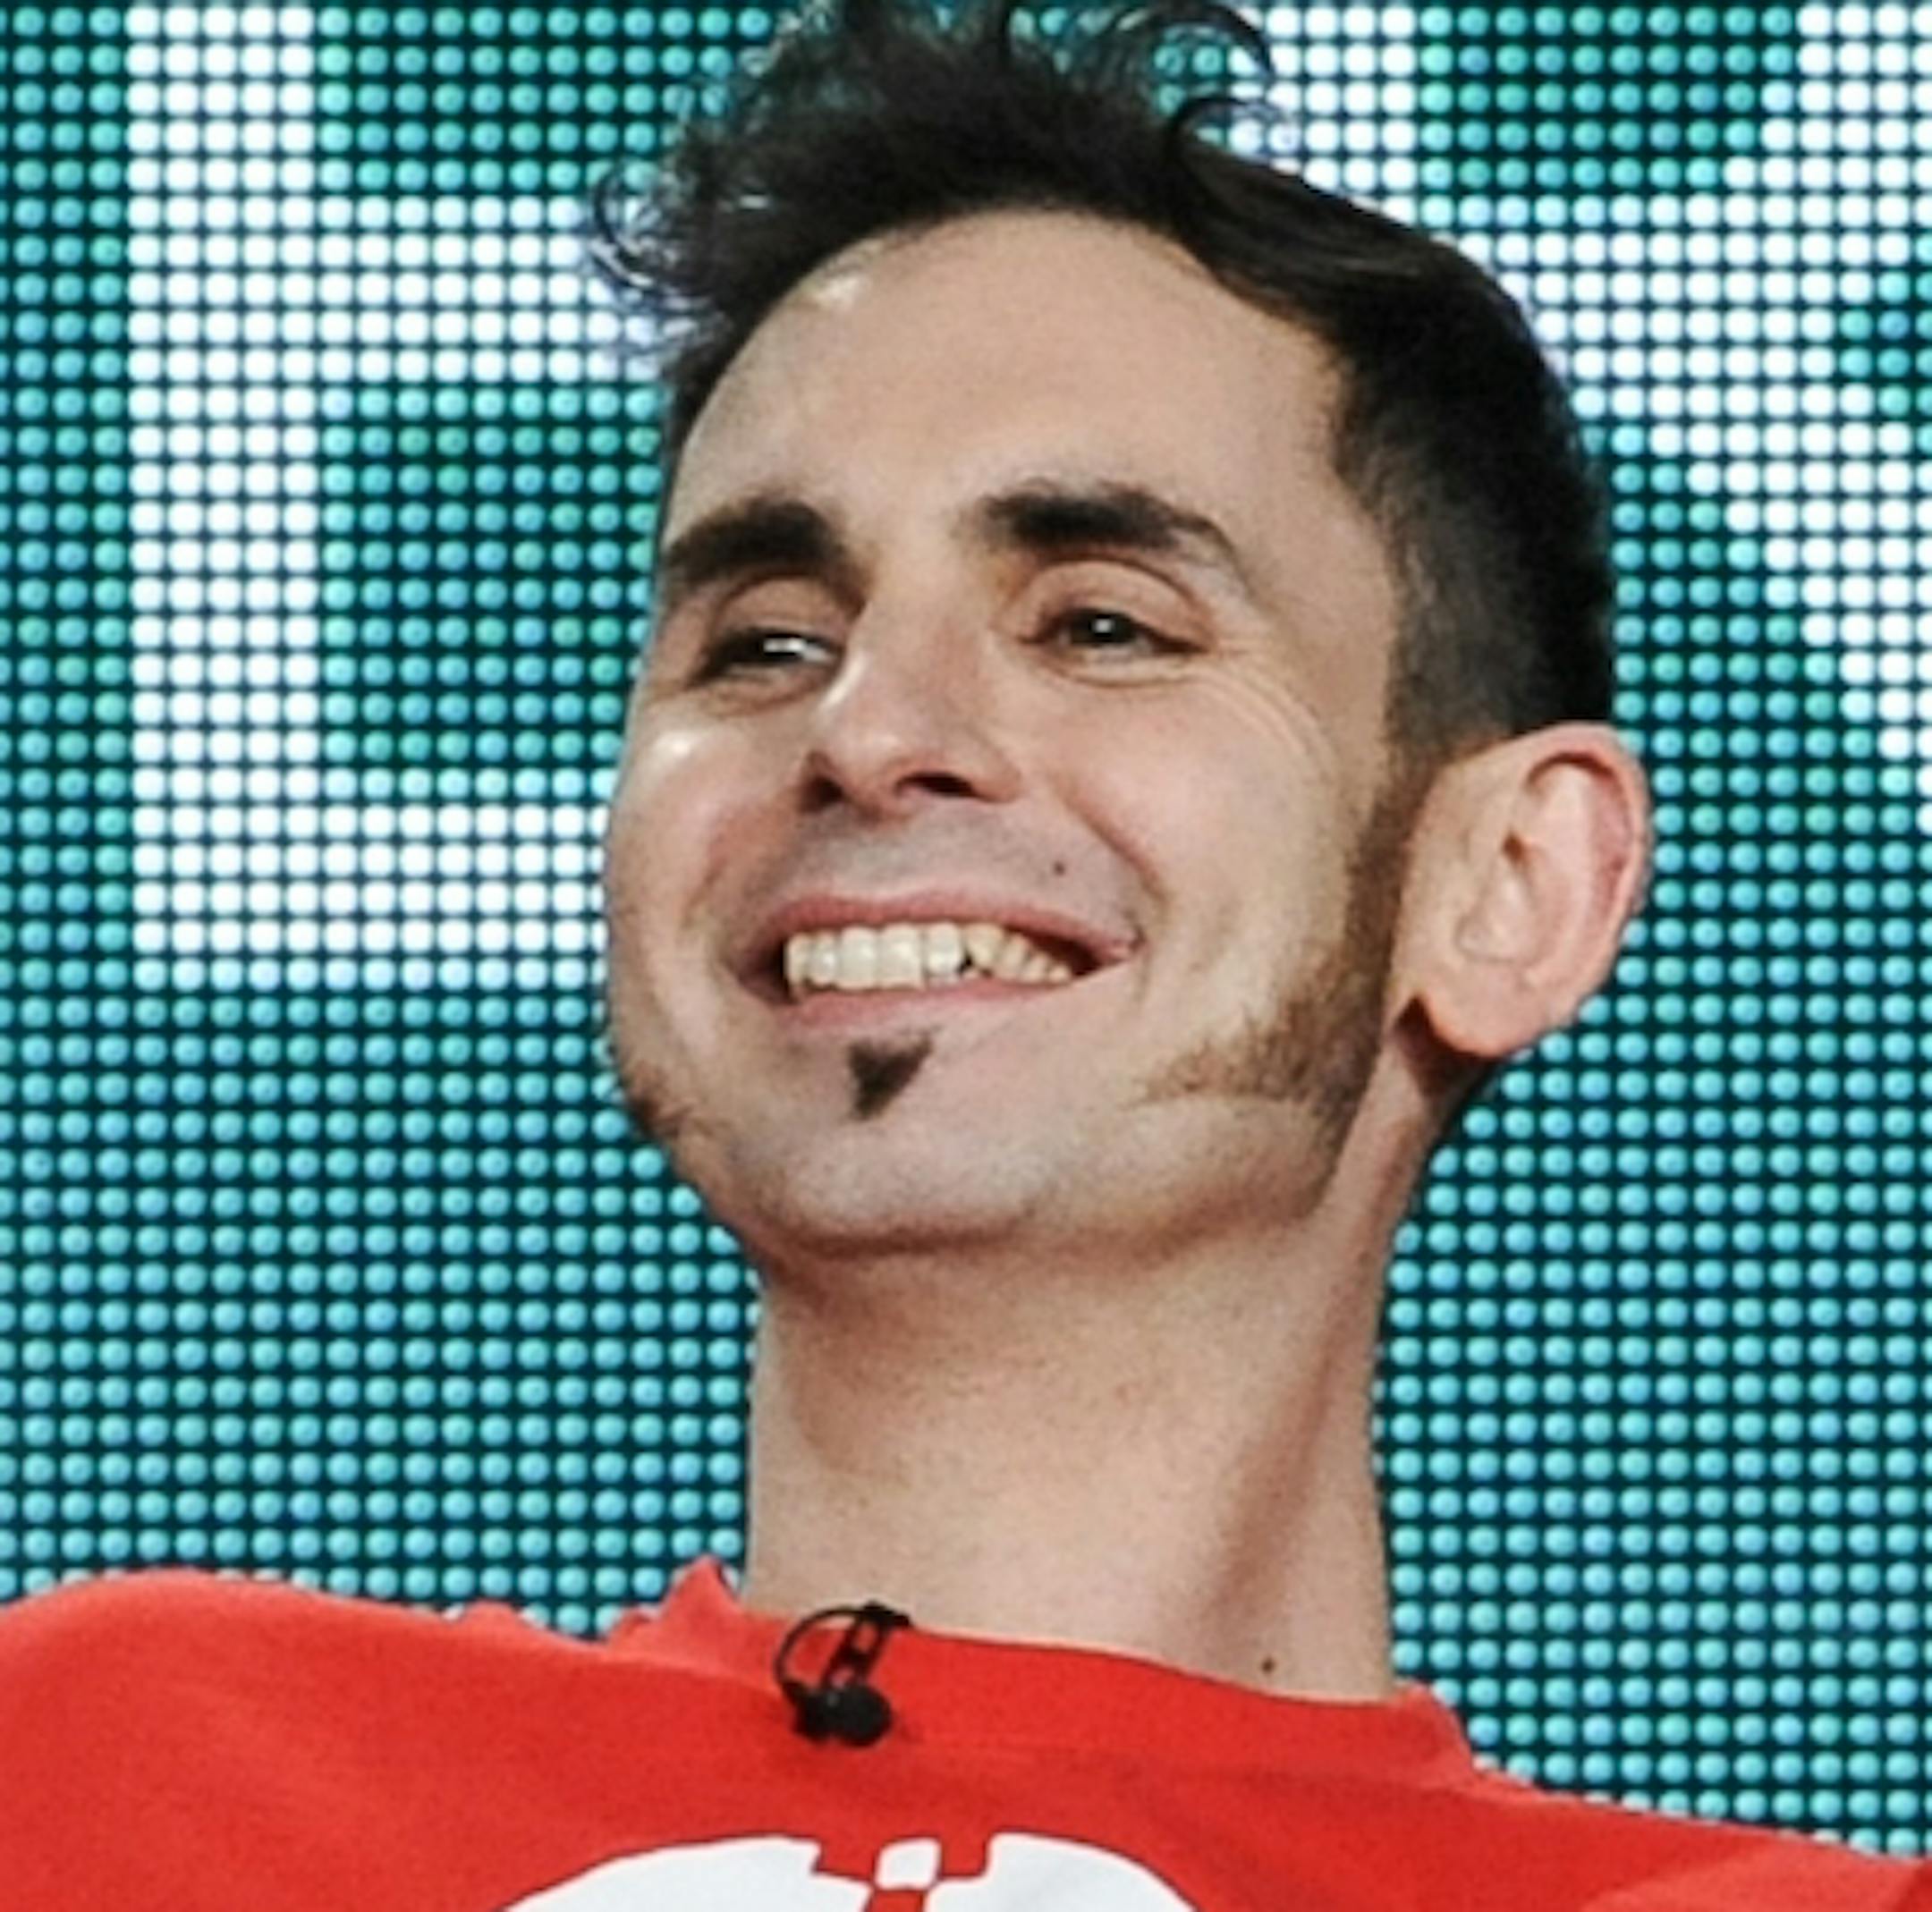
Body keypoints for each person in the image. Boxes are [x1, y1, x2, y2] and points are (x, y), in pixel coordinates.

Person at [3, 3, 1926, 1907]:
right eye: (761, 637)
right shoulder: (109, 1779)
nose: (862, 729)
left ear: (1511, 883)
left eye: (1102, 622)